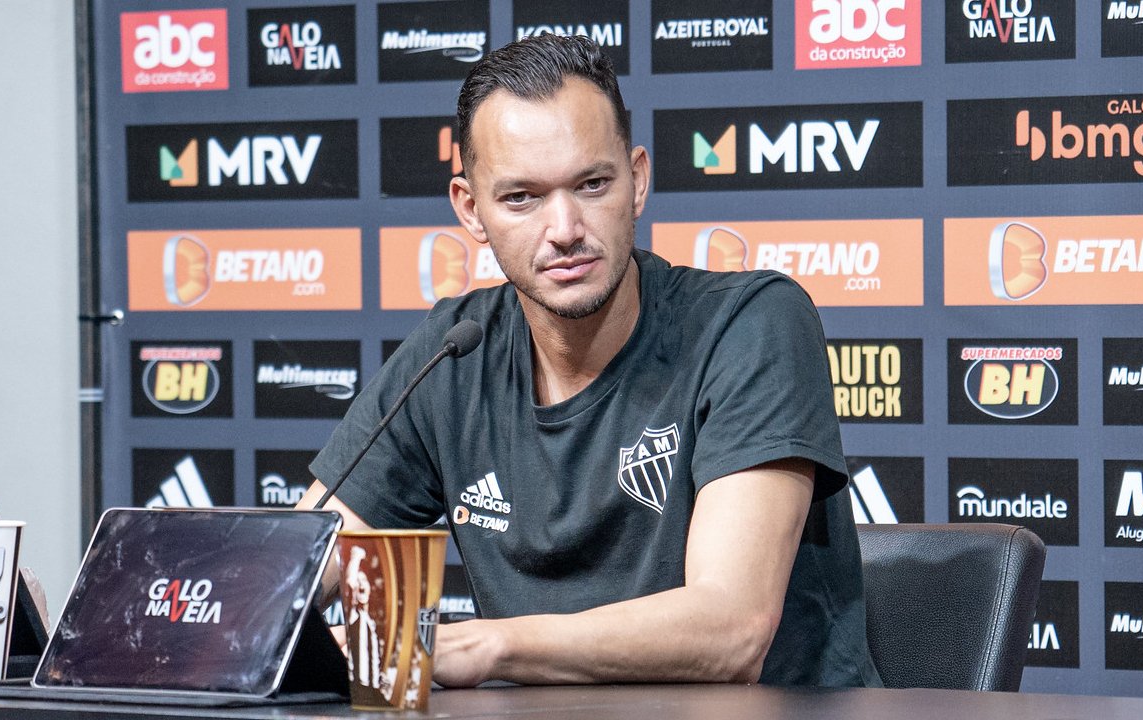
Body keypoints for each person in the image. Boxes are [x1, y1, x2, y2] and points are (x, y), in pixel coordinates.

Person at [299, 33, 880, 688]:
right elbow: (291, 580)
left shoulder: (750, 324)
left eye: (592, 183)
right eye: (522, 197)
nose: (565, 228)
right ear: (471, 209)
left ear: (637, 180)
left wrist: (483, 648)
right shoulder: (452, 350)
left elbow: (731, 630)